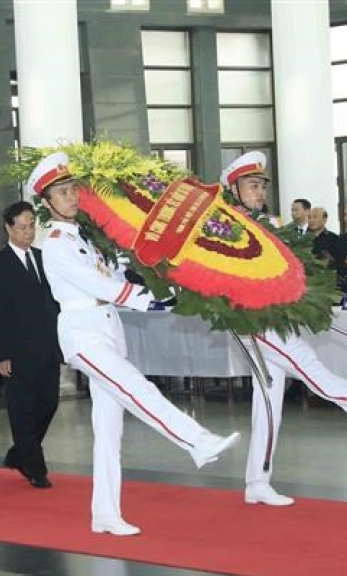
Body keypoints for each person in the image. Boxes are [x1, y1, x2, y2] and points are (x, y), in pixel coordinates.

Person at [31, 152, 240, 536]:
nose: (71, 197)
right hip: (84, 333)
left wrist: (161, 278)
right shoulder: (57, 243)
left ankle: (105, 513)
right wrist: (146, 299)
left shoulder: (84, 238)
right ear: (46, 203)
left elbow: (115, 273)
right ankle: (196, 441)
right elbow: (100, 286)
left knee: (109, 431)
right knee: (137, 389)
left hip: (108, 328)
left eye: (72, 189)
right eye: (61, 193)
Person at [222, 151, 347, 507]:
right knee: (304, 361)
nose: (259, 191)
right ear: (234, 188)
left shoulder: (271, 224)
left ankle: (257, 480)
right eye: (251, 185)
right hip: (249, 318)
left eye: (261, 185)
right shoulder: (224, 226)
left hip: (276, 313)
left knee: (269, 398)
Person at [0, 201, 61, 489]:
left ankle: (19, 453)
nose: (28, 232)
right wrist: (0, 354)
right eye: (22, 227)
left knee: (48, 403)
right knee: (22, 408)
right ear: (8, 228)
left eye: (32, 226)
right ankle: (34, 466)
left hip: (47, 346)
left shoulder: (43, 258)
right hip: (16, 349)